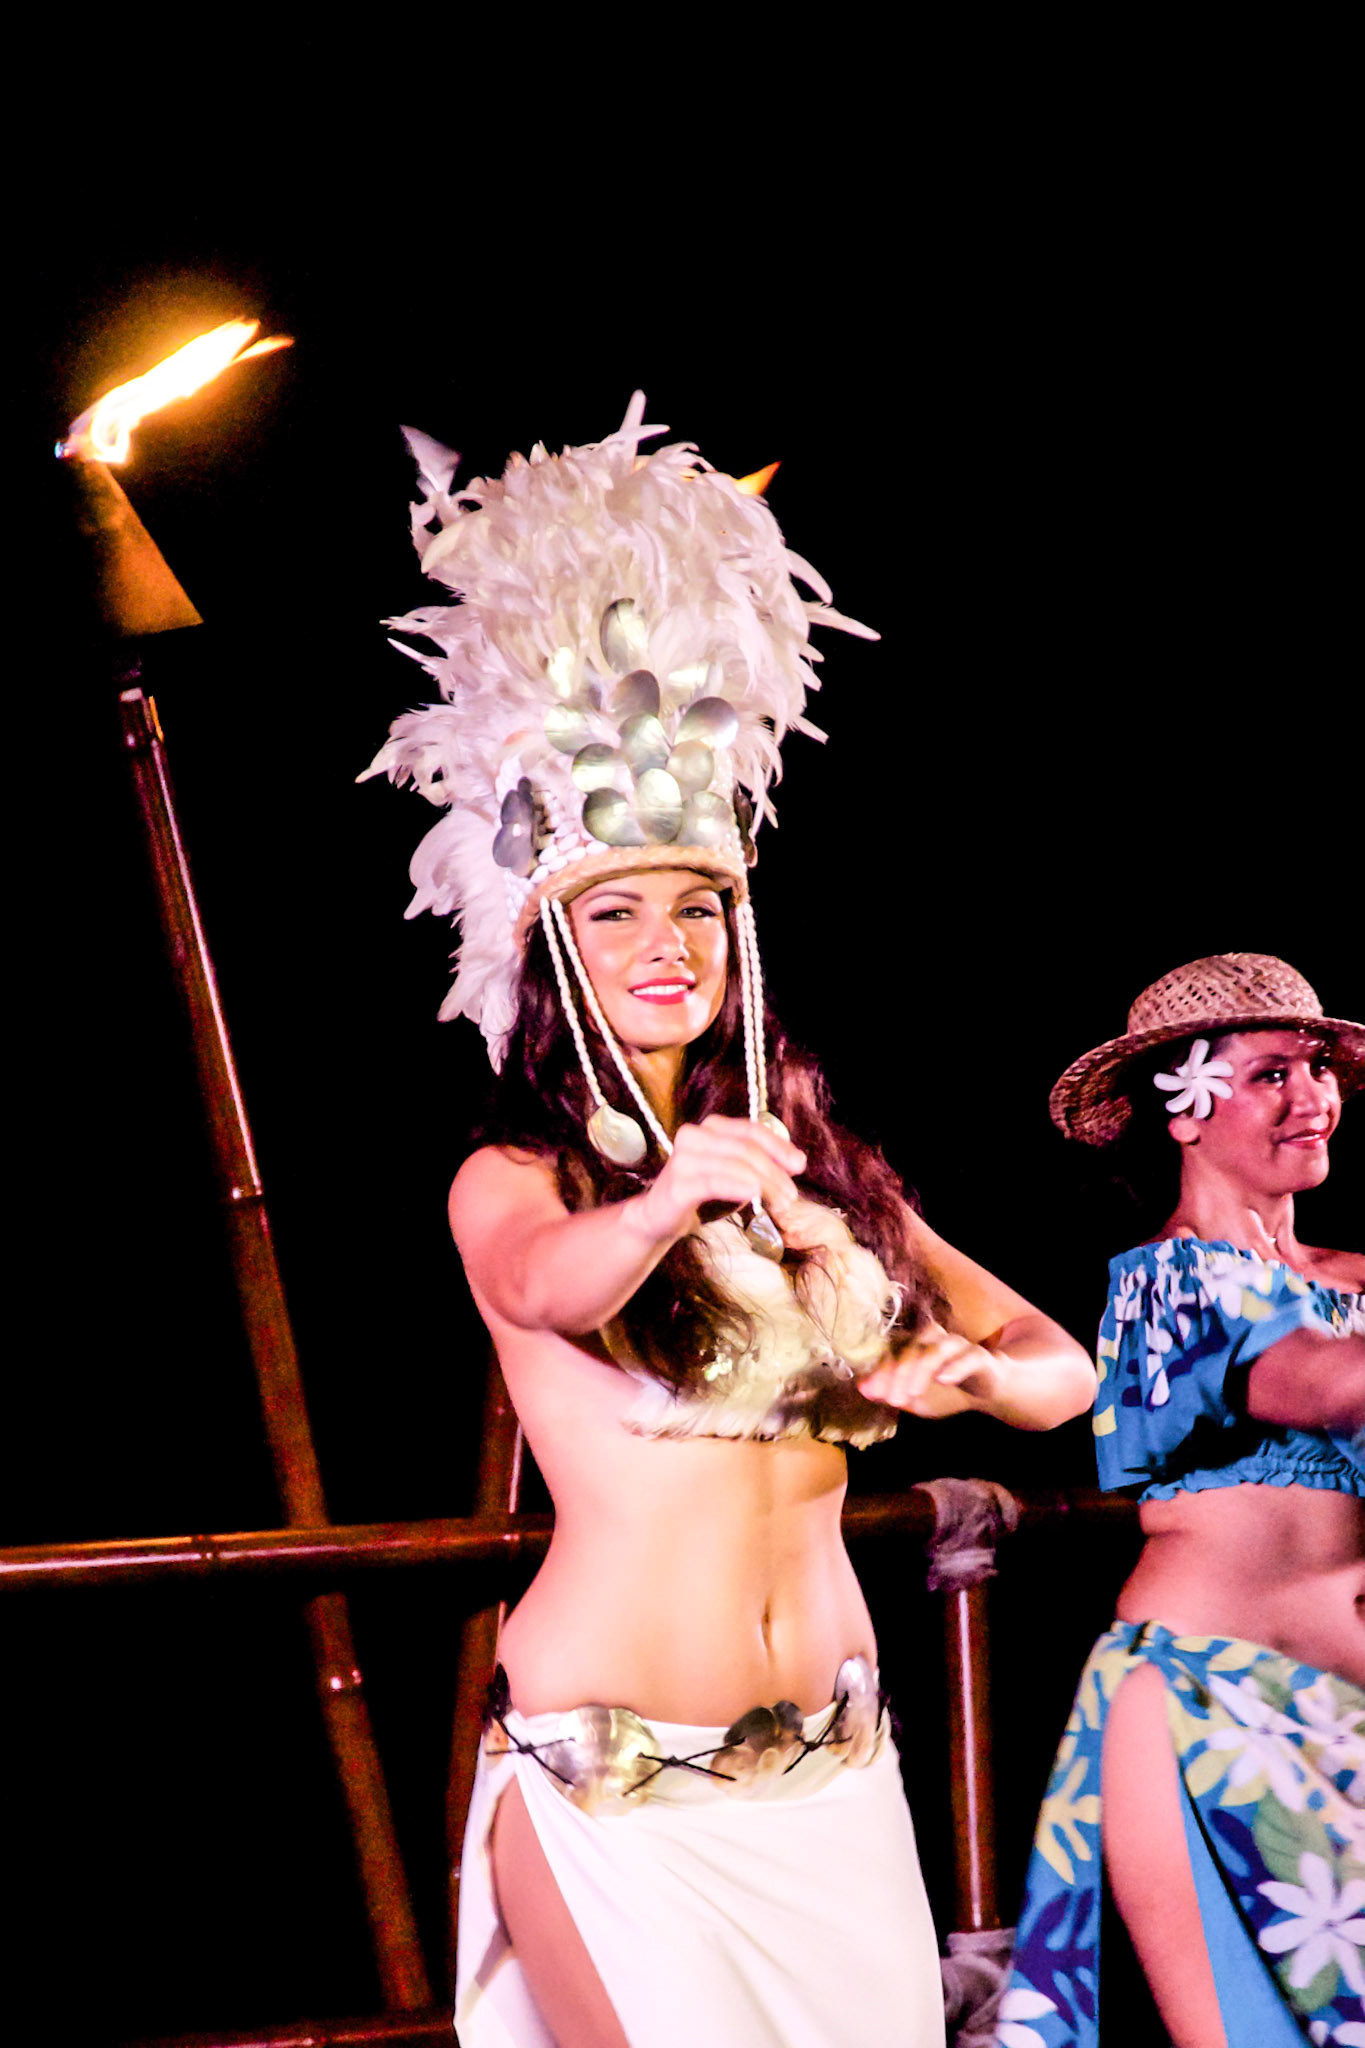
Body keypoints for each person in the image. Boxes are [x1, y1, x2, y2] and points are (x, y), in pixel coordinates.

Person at [364, 396, 1095, 2048]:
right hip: (619, 1789)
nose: (667, 944)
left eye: (697, 908)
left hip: (836, 1781)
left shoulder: (813, 1168)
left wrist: (958, 1371)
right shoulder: (517, 1175)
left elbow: (1058, 1371)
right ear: (551, 949)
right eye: (618, 912)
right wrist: (673, 1195)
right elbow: (550, 1290)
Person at [1000, 954, 1364, 2048]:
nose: (1311, 1096)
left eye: (1317, 1067)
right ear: (1183, 1110)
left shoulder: (1354, 1277)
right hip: (1208, 1708)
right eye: (1269, 1074)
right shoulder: (1161, 1284)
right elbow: (1322, 1387)